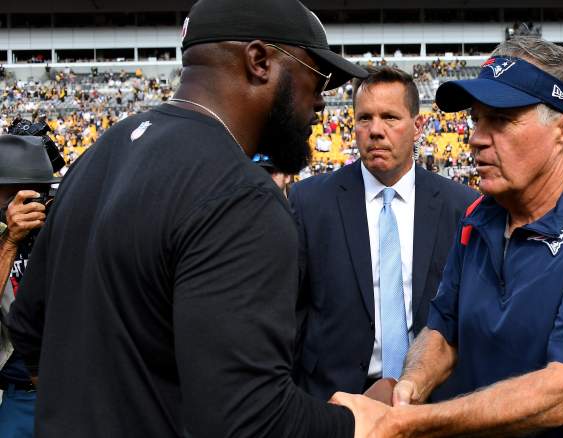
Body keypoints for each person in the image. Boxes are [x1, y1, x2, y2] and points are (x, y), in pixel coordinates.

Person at [6, 0, 370, 437]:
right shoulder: (240, 196)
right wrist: (358, 423)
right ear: (259, 61)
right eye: (319, 78)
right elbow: (248, 419)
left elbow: (28, 328)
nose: (321, 104)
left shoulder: (100, 153)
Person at [332, 36, 563, 437]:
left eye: (501, 120)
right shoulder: (479, 216)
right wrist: (410, 388)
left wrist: (404, 423)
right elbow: (443, 330)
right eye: (476, 119)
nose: (476, 137)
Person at [289, 67, 478, 400]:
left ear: (418, 126)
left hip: (430, 396)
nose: (375, 131)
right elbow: (292, 308)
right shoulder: (309, 202)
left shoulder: (460, 206)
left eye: (390, 118)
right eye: (365, 119)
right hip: (332, 398)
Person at [0, 134, 61, 438]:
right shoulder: (3, 238)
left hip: (72, 388)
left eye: (36, 195)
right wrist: (10, 240)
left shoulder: (65, 226)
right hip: (19, 394)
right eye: (14, 196)